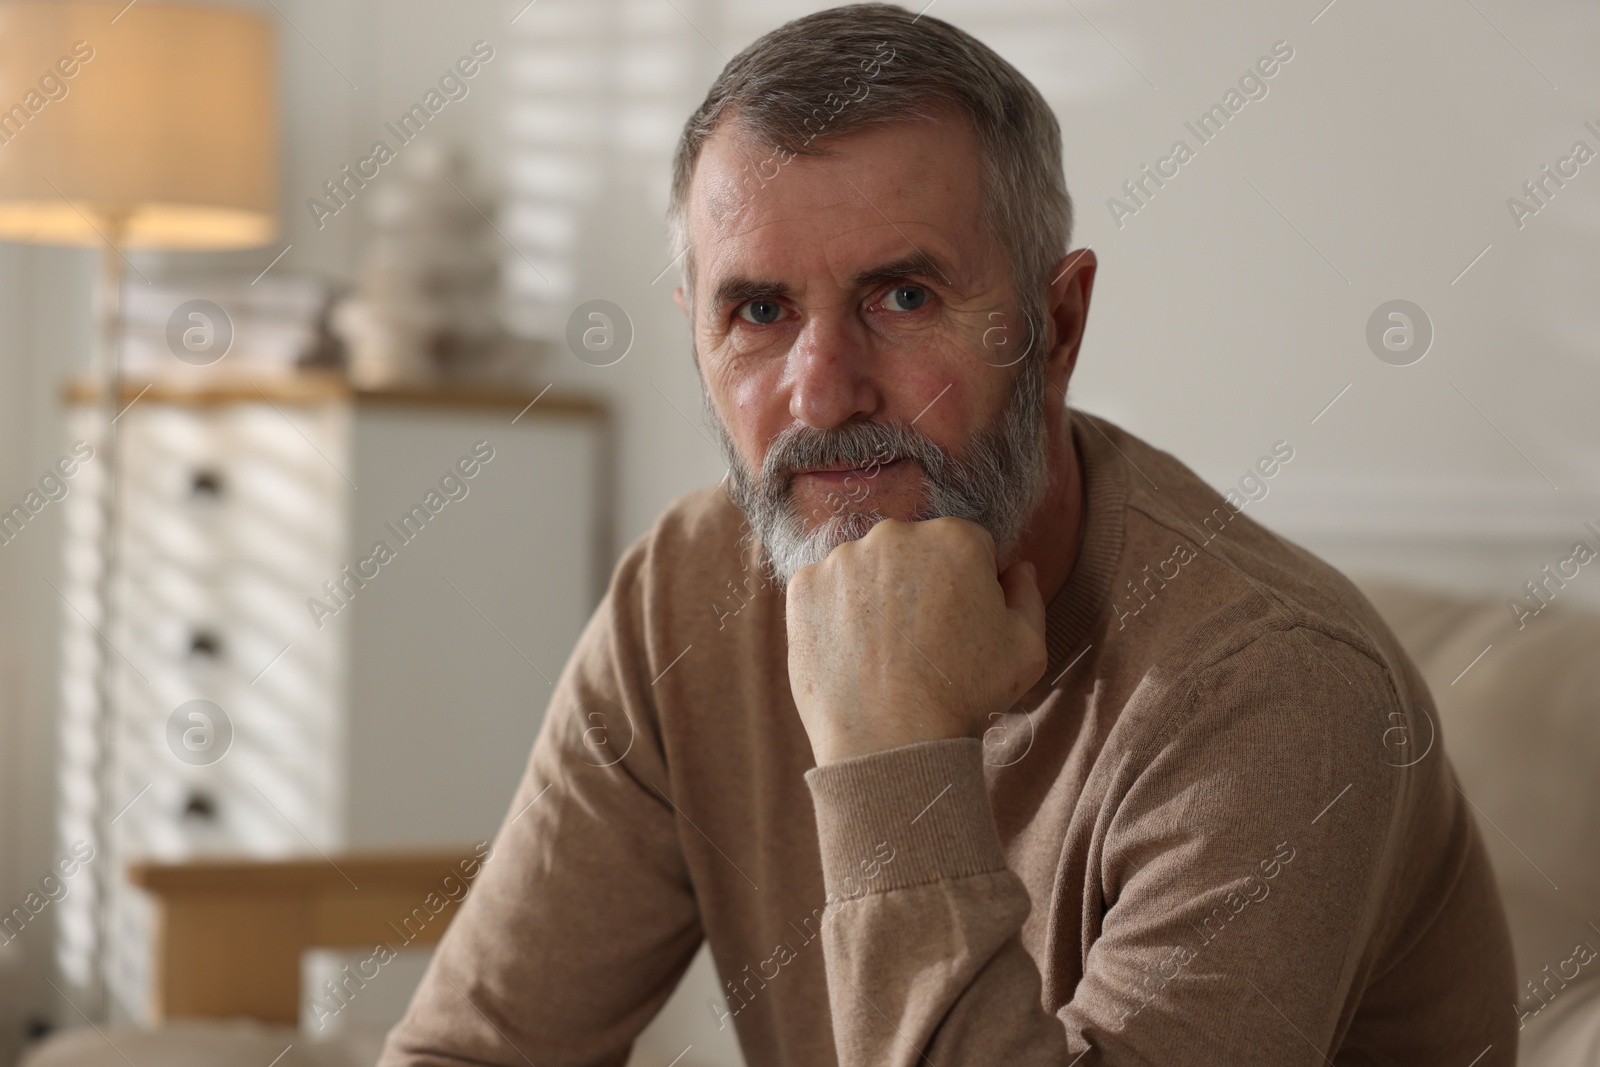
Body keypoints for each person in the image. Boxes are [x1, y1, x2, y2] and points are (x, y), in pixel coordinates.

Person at [379, 4, 1517, 1064]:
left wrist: (890, 747)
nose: (821, 395)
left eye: (902, 298)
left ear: (1055, 324)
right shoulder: (683, 596)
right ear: (698, 335)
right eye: (759, 312)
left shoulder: (1273, 689)